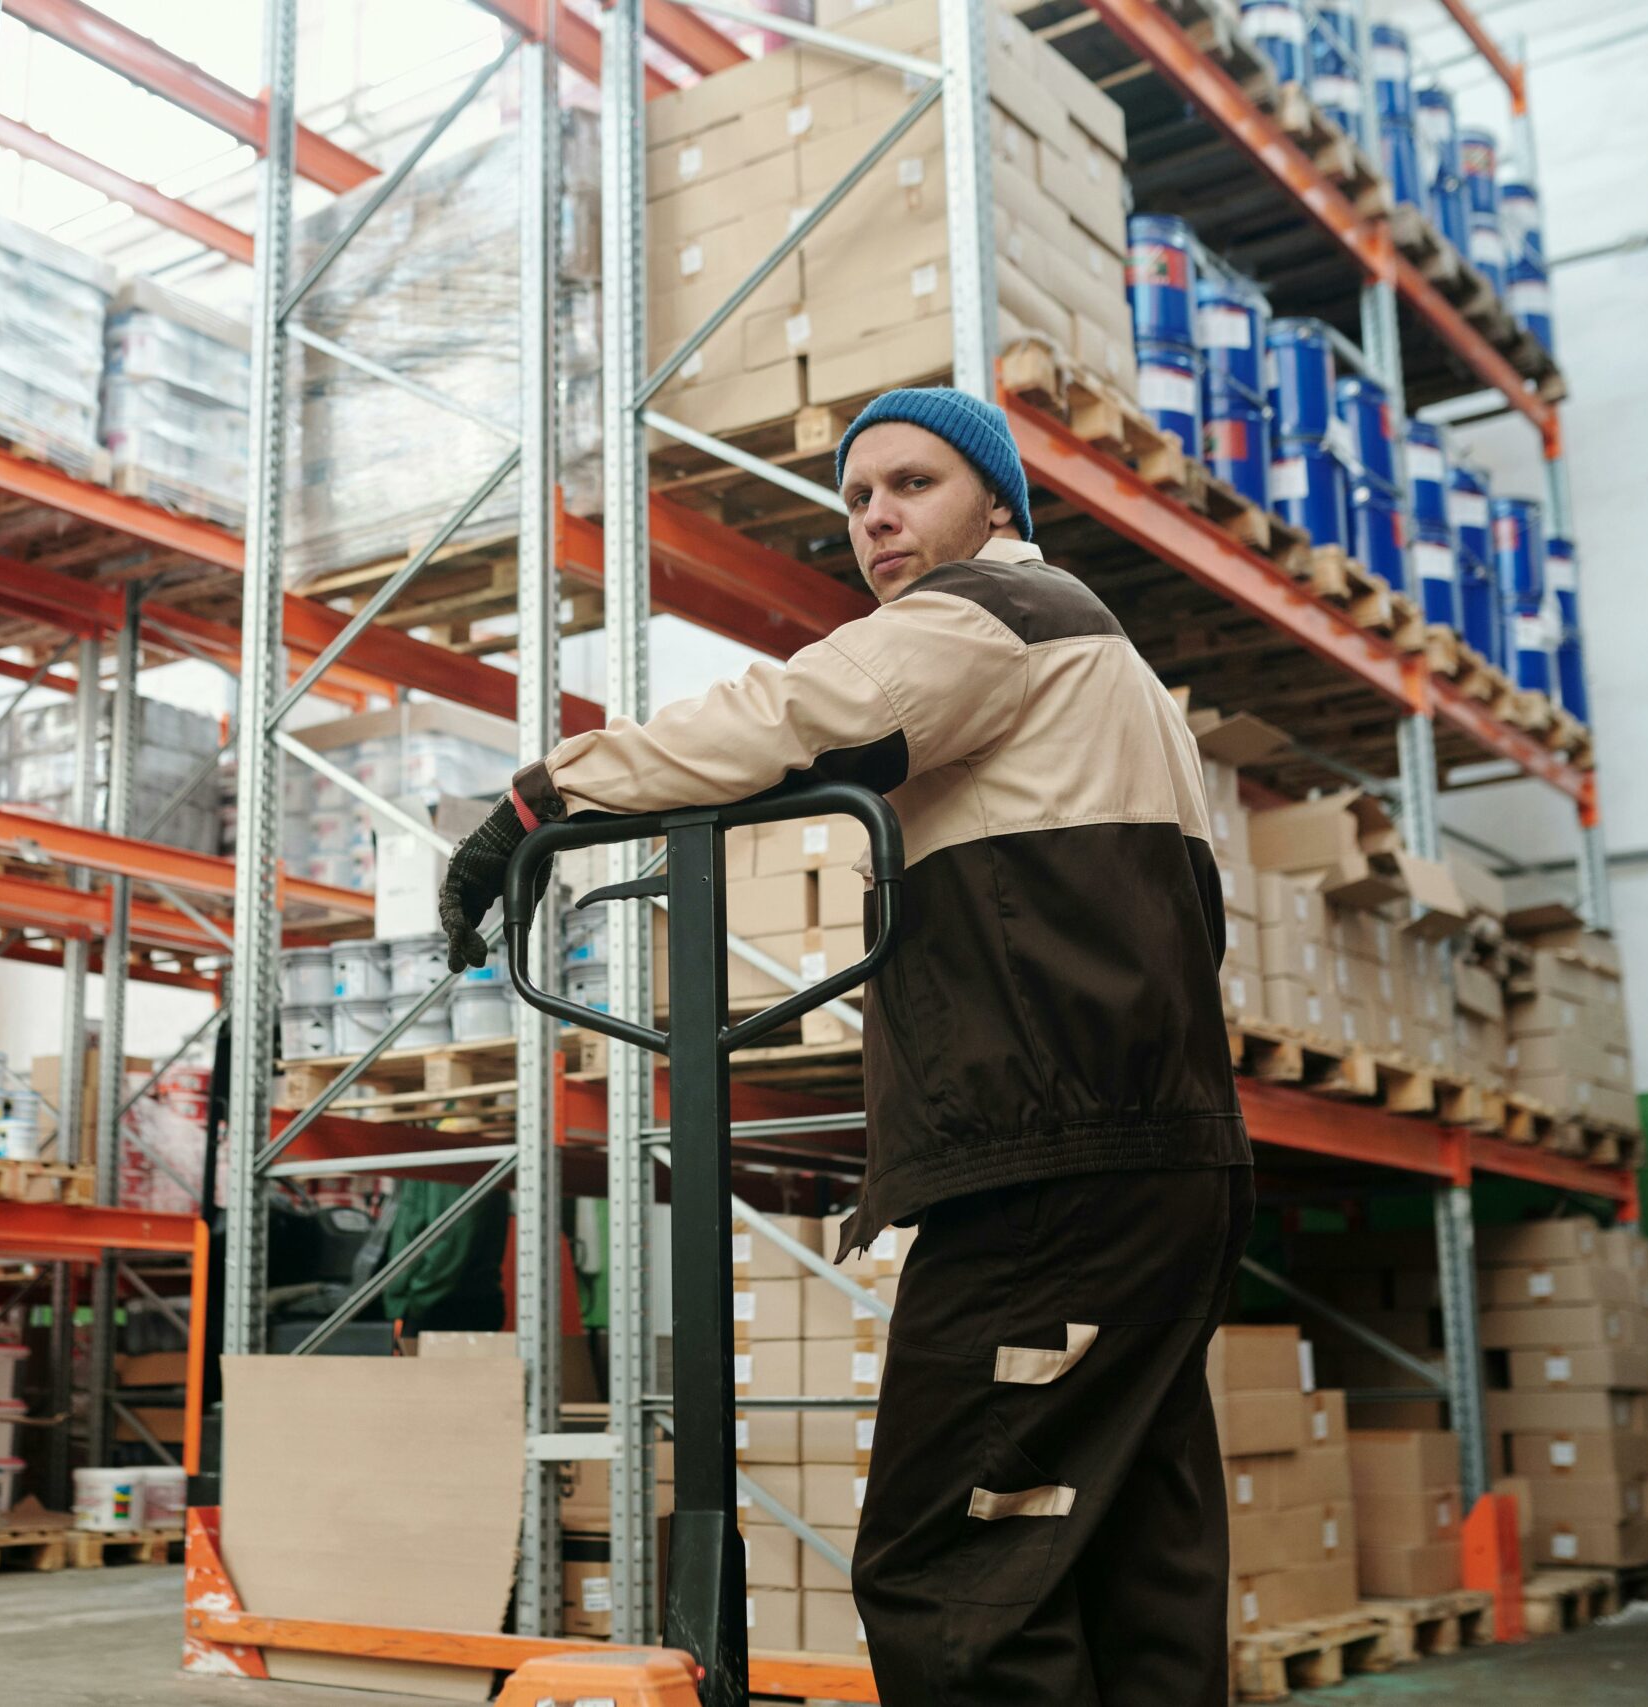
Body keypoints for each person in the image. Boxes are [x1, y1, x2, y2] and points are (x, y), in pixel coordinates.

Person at [437, 387, 1254, 1702]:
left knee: (949, 1571)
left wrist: (544, 799)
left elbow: (791, 717)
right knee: (1126, 1563)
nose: (876, 515)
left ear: (998, 506)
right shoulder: (1109, 668)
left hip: (1054, 1173)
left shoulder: (994, 614)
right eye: (859, 497)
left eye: (912, 484)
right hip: (1159, 1162)